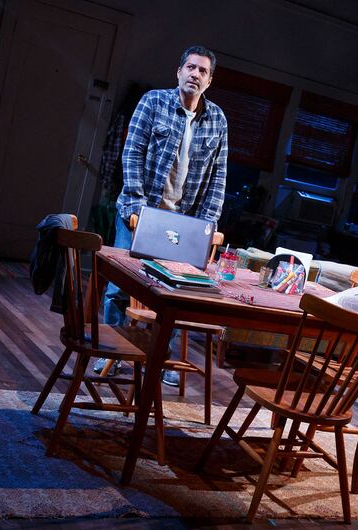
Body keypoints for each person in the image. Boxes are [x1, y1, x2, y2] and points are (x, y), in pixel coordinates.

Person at [97, 45, 228, 382]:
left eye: (202, 71)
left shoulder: (217, 120)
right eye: (190, 67)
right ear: (179, 71)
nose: (195, 74)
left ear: (209, 81)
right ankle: (111, 350)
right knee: (120, 286)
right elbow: (132, 153)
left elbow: (218, 176)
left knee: (177, 292)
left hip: (183, 221)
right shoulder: (153, 102)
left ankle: (161, 356)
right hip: (141, 211)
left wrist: (207, 226)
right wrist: (137, 207)